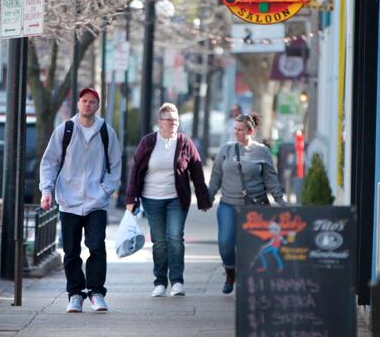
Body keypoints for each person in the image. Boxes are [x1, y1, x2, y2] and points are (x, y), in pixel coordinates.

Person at [39, 88, 122, 313]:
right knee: (71, 250)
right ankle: (75, 294)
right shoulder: (65, 130)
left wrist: (106, 190)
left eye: (92, 102)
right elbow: (49, 162)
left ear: (97, 106)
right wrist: (47, 190)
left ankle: (96, 293)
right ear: (78, 104)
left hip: (96, 202)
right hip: (69, 201)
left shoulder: (106, 132)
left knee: (96, 247)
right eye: (84, 101)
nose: (88, 105)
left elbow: (116, 165)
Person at [125, 103, 212, 297]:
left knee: (175, 238)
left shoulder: (185, 142)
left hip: (176, 198)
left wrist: (203, 199)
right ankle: (160, 282)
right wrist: (131, 197)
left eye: (176, 120)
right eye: (169, 120)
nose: (173, 123)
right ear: (160, 122)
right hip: (151, 198)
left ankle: (177, 281)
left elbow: (197, 172)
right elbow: (135, 171)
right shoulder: (148, 142)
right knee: (159, 241)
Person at [208, 112, 286, 294]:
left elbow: (271, 179)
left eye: (241, 130)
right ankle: (230, 271)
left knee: (253, 247)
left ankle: (249, 279)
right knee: (225, 243)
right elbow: (216, 177)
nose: (237, 133)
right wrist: (208, 198)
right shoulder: (226, 150)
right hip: (228, 204)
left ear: (251, 131)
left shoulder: (262, 152)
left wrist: (281, 200)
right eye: (235, 129)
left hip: (255, 207)